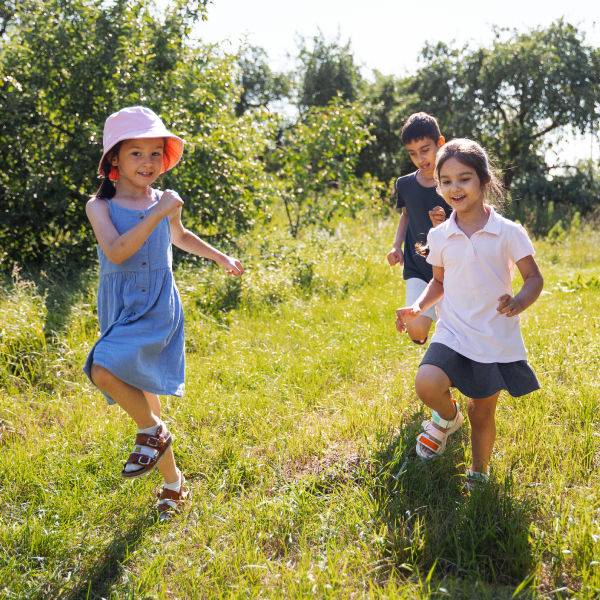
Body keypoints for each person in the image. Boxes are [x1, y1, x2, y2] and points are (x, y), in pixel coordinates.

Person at [83, 106, 244, 520]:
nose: (148, 162)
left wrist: (220, 256)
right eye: (136, 153)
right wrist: (156, 212)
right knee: (145, 406)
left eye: (156, 153)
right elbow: (117, 251)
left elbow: (180, 236)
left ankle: (155, 438)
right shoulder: (98, 207)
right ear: (114, 159)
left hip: (157, 305)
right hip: (122, 306)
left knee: (102, 367)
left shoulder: (165, 202)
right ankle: (173, 481)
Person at [395, 139, 543, 488]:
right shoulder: (440, 235)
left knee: (482, 413)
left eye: (464, 179)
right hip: (454, 330)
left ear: (484, 182)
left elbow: (534, 277)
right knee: (427, 383)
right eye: (446, 181)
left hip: (492, 336)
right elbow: (438, 283)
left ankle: (479, 471)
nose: (454, 188)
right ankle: (448, 418)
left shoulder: (508, 232)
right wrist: (417, 307)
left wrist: (520, 300)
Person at [387, 112, 452, 345]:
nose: (419, 158)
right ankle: (425, 327)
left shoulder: (453, 182)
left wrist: (445, 223)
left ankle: (444, 363)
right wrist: (397, 246)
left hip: (450, 267)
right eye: (412, 153)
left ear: (440, 143)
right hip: (418, 265)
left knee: (451, 330)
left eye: (425, 150)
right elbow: (405, 216)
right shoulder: (404, 184)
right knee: (415, 331)